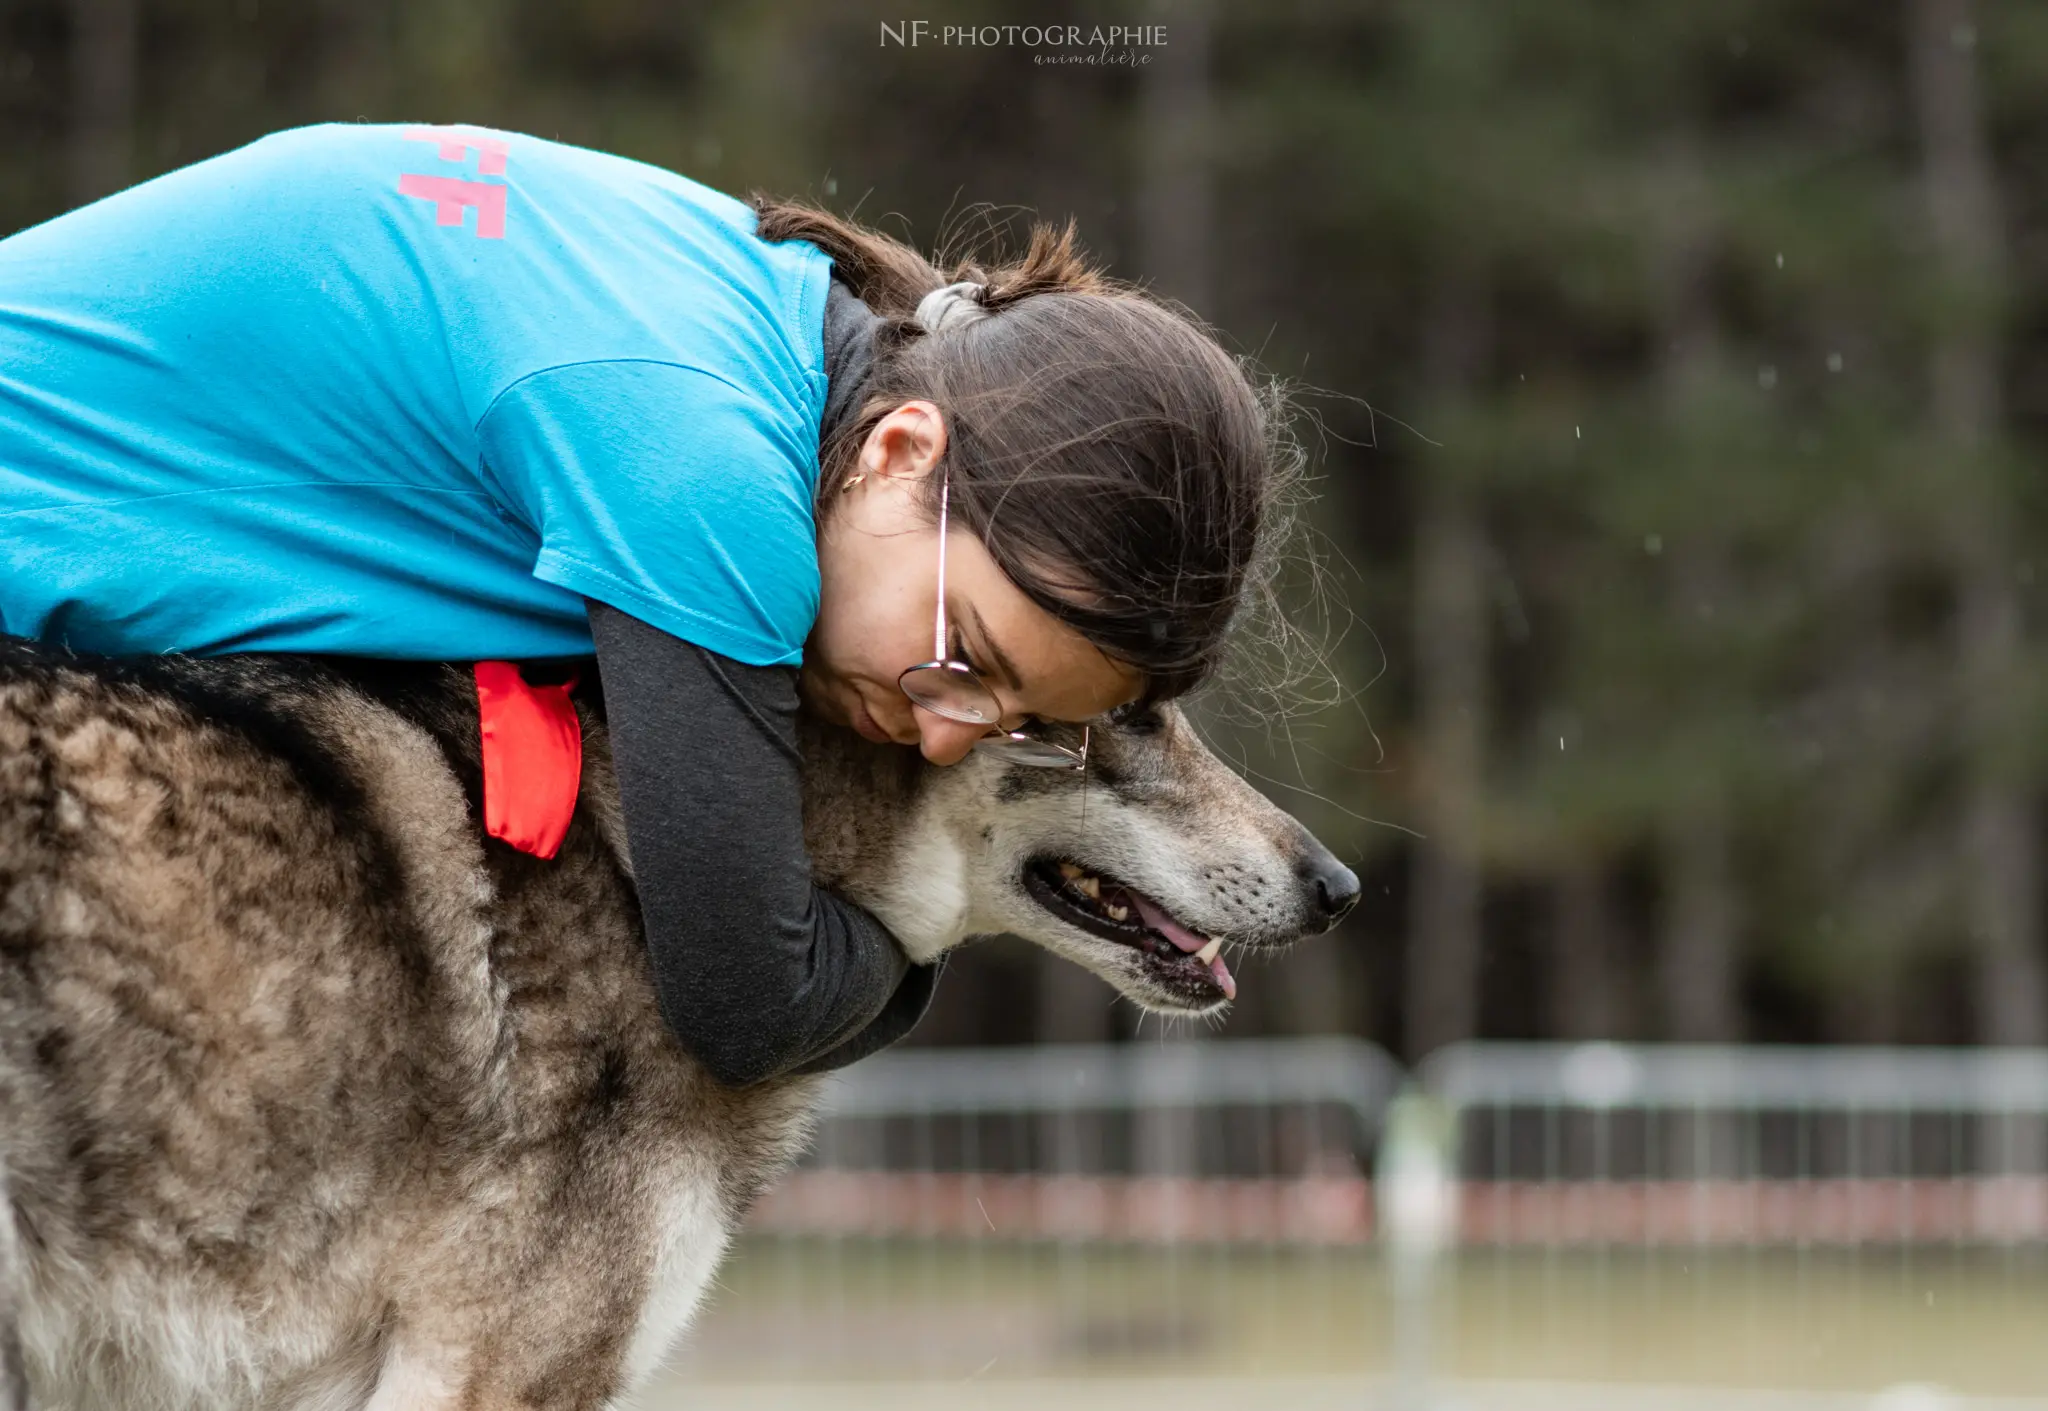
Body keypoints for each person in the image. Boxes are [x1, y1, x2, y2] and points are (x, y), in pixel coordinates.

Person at [0, 123, 1287, 1085]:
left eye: (1010, 719)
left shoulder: (763, 312)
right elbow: (745, 998)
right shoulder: (702, 475)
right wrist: (915, 921)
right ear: (903, 451)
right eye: (968, 656)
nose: (949, 732)